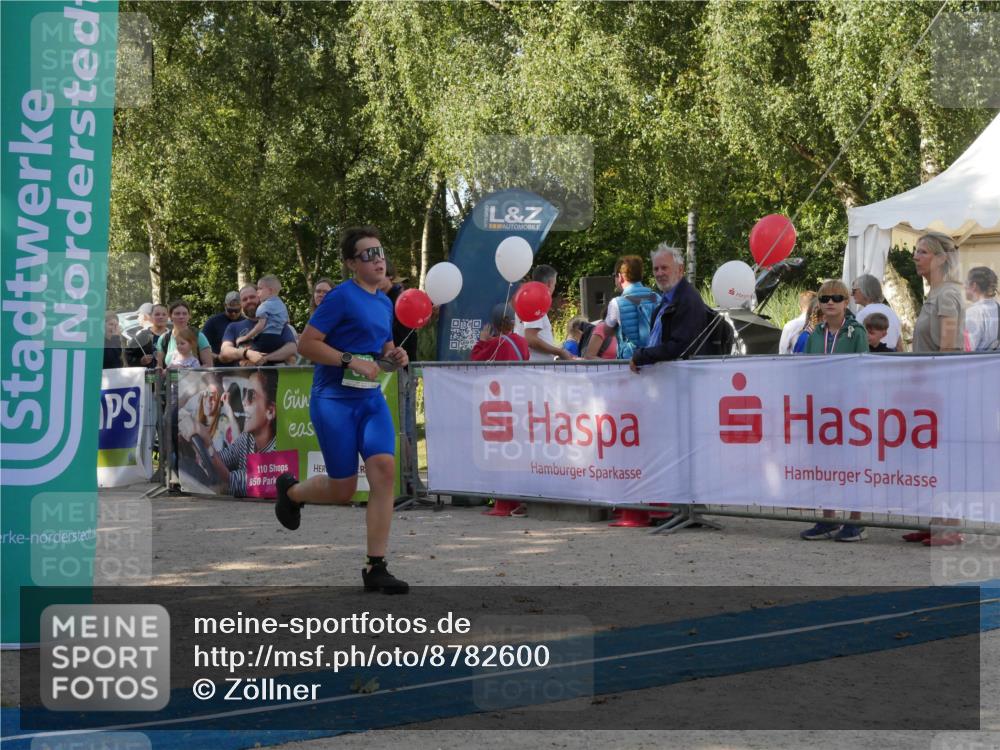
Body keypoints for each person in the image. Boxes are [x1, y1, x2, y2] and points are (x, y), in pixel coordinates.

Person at [273, 225, 411, 595]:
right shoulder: (340, 298)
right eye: (367, 254)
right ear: (352, 263)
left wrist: (394, 355)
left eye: (380, 251)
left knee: (383, 470)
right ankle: (291, 493)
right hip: (333, 401)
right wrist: (349, 360)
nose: (378, 259)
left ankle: (375, 566)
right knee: (343, 489)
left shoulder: (384, 301)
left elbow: (383, 346)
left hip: (370, 400)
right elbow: (307, 344)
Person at [799, 280, 869, 543]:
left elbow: (862, 371)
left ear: (846, 302)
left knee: (852, 465)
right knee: (824, 465)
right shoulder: (815, 333)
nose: (830, 302)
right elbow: (806, 370)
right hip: (821, 410)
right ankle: (827, 519)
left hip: (849, 409)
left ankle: (856, 521)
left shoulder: (856, 332)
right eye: (825, 298)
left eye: (837, 298)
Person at [910, 231, 966, 546]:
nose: (916, 257)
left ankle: (950, 527)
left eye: (923, 252)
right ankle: (936, 522)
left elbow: (947, 347)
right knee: (932, 458)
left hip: (942, 389)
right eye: (916, 251)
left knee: (944, 457)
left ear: (941, 258)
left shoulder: (947, 294)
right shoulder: (936, 293)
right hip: (930, 389)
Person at [189, 368, 278, 498]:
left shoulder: (276, 451)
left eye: (251, 396)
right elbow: (222, 459)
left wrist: (207, 444)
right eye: (244, 393)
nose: (243, 402)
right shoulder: (247, 438)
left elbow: (231, 482)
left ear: (270, 411)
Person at [629, 244, 708, 371]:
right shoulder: (664, 303)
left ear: (680, 270)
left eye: (664, 268)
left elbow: (679, 346)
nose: (659, 273)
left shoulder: (687, 299)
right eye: (656, 269)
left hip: (683, 381)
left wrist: (641, 356)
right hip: (666, 380)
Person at [219, 285, 298, 367]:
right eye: (244, 299)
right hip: (243, 378)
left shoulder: (277, 323)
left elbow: (291, 348)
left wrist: (264, 358)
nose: (249, 301)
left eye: (252, 297)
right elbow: (224, 353)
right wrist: (247, 353)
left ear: (260, 298)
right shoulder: (233, 327)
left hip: (275, 377)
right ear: (241, 304)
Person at [515, 265, 575, 361]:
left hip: (534, 367)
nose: (554, 288)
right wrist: (560, 352)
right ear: (550, 283)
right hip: (537, 369)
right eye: (555, 284)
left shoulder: (529, 299)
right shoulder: (536, 302)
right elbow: (530, 339)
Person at [605, 255, 659, 360]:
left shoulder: (616, 303)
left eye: (614, 276)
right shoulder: (656, 297)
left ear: (620, 277)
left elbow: (606, 331)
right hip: (654, 359)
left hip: (629, 363)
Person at [236, 275, 291, 356]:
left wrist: (245, 337)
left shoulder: (264, 306)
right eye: (244, 299)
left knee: (248, 347)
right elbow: (286, 321)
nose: (258, 292)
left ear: (270, 290)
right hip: (279, 340)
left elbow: (260, 326)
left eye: (260, 289)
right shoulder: (282, 305)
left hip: (266, 339)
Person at [155, 300, 213, 370]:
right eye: (177, 314)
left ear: (189, 316)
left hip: (194, 380)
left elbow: (209, 365)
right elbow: (159, 366)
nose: (181, 317)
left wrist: (185, 370)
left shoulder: (198, 336)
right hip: (171, 380)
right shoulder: (163, 338)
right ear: (170, 316)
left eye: (185, 313)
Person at [377, 262, 417, 364]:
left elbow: (403, 335)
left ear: (390, 276)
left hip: (400, 362)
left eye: (380, 273)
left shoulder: (400, 300)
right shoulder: (377, 299)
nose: (375, 279)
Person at [851, 274, 903, 351]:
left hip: (873, 356)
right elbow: (899, 344)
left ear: (864, 290)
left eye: (854, 290)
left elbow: (856, 342)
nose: (851, 294)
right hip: (893, 356)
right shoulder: (891, 311)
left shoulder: (863, 314)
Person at [964, 266, 999, 351]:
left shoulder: (973, 312)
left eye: (966, 283)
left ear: (974, 285)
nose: (964, 286)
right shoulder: (997, 307)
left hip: (979, 363)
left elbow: (968, 350)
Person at [202, 291, 244, 361]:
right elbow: (201, 348)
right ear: (225, 306)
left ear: (241, 307)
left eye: (237, 310)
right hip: (219, 366)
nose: (233, 313)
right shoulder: (213, 322)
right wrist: (218, 357)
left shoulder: (246, 321)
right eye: (230, 310)